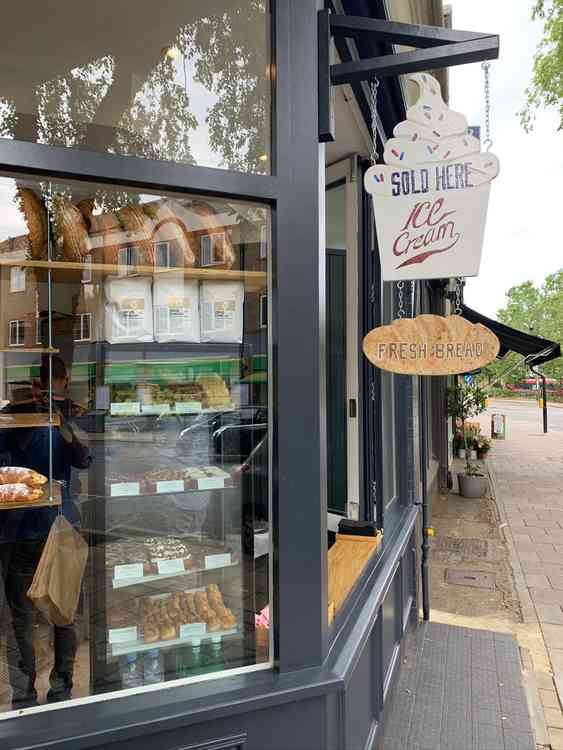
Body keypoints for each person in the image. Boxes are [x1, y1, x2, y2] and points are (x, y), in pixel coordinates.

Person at [0, 356, 91, 709]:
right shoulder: (21, 417)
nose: (48, 391)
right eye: (44, 385)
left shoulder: (60, 416)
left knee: (49, 613)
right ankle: (41, 690)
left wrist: (61, 419)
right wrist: (38, 417)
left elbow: (82, 458)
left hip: (45, 526)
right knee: (44, 613)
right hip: (35, 527)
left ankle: (44, 691)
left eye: (52, 383)